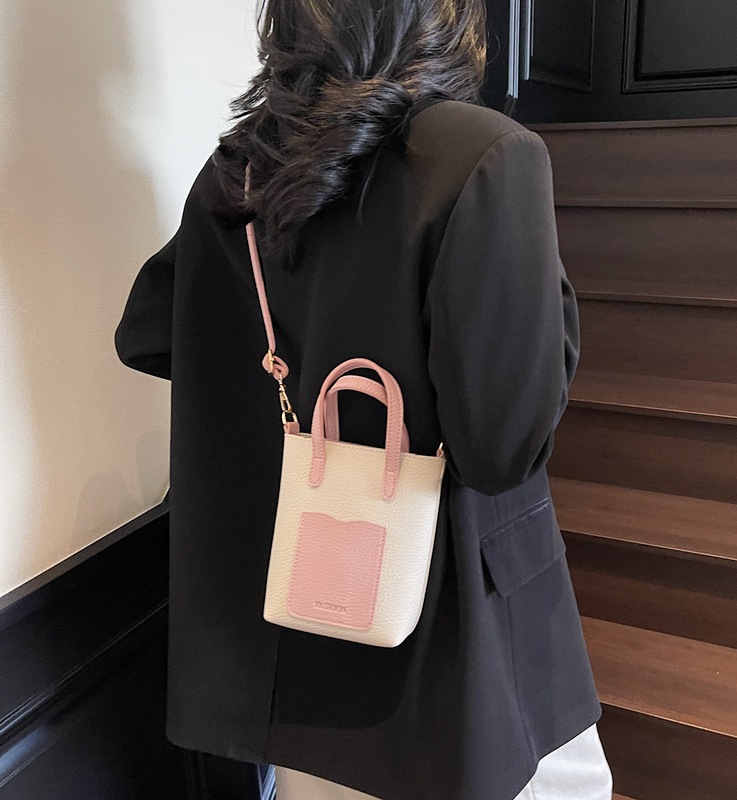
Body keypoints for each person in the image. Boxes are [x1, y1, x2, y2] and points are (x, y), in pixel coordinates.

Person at [114, 1, 613, 798]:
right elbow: (501, 447)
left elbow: (148, 335)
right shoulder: (485, 155)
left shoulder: (240, 171)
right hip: (455, 657)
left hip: (298, 638)